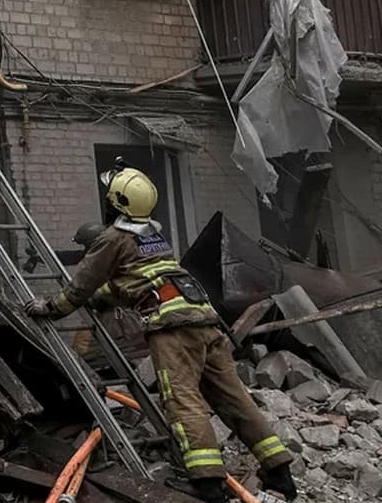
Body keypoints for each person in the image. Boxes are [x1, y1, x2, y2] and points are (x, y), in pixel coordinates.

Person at [27, 163, 297, 502]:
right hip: (204, 319)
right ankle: (280, 474)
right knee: (234, 398)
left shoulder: (111, 239)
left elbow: (79, 288)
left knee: (182, 401)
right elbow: (141, 281)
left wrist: (49, 308)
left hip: (173, 329)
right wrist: (104, 299)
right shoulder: (152, 236)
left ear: (116, 203)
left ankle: (208, 485)